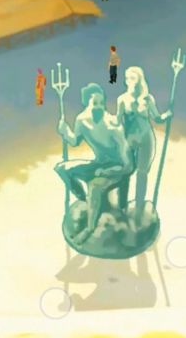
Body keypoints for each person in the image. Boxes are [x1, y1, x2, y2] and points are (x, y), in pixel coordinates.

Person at [55, 83, 135, 244]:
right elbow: (75, 141)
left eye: (101, 103)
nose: (99, 107)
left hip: (117, 168)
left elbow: (128, 165)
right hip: (98, 164)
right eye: (94, 103)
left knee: (95, 186)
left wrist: (107, 172)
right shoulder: (81, 120)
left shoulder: (113, 125)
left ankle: (89, 229)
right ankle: (85, 199)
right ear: (86, 103)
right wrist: (65, 131)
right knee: (61, 168)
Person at [116, 67, 172, 224]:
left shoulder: (147, 99)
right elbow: (118, 121)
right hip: (129, 140)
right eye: (127, 78)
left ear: (139, 81)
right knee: (125, 172)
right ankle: (122, 207)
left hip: (146, 139)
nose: (130, 81)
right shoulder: (122, 99)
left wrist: (167, 115)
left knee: (142, 173)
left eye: (133, 78)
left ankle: (139, 209)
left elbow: (157, 118)